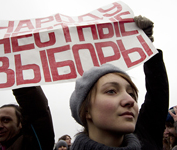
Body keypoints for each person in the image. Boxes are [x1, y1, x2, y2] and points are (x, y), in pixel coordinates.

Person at [69, 16, 169, 150]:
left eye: (132, 94)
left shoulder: (146, 138)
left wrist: (147, 47)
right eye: (111, 91)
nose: (130, 100)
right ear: (86, 109)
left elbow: (158, 93)